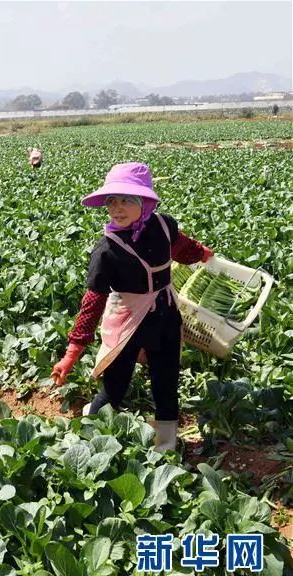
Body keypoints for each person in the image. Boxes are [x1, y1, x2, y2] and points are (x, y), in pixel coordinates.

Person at [50, 162, 213, 453]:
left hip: (164, 317)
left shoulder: (163, 225)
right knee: (115, 388)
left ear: (145, 202)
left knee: (166, 386)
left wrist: (200, 253)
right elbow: (93, 303)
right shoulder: (107, 250)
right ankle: (91, 433)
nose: (117, 208)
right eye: (111, 201)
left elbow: (180, 246)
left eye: (126, 199)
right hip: (127, 322)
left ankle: (167, 445)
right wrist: (72, 353)